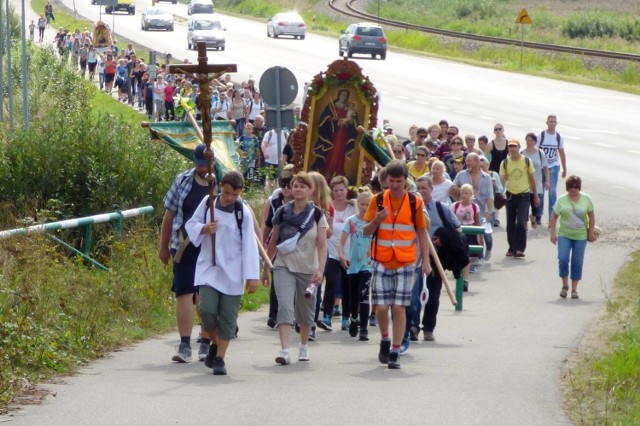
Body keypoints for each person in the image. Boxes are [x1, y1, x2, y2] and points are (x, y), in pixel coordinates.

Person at [184, 171, 260, 376]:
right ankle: (214, 343)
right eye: (226, 193)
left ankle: (219, 358)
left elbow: (250, 245)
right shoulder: (208, 202)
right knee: (207, 311)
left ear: (240, 193)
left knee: (227, 317)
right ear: (220, 187)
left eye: (234, 195)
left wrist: (252, 275)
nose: (229, 198)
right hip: (209, 268)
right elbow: (190, 224)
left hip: (233, 273)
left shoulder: (242, 212)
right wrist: (204, 228)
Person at [363, 160, 431, 369]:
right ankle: (384, 339)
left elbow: (422, 231)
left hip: (406, 261)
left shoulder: (414, 202)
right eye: (391, 181)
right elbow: (366, 231)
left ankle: (395, 350)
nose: (394, 186)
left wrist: (426, 261)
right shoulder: (378, 201)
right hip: (381, 260)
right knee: (382, 308)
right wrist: (376, 219)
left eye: (398, 182)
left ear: (405, 181)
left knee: (399, 308)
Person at [262, 172, 328, 365]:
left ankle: (303, 345)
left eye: (302, 186)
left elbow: (322, 245)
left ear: (311, 190)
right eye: (295, 185)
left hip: (308, 268)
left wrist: (320, 270)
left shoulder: (317, 214)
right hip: (283, 265)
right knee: (284, 305)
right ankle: (284, 350)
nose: (298, 189)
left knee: (305, 312)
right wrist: (266, 267)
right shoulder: (282, 212)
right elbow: (273, 242)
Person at [160, 144, 214, 364]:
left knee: (206, 295)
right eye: (199, 164)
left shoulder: (221, 183)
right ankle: (184, 344)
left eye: (206, 165)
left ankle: (205, 342)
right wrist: (164, 247)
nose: (202, 169)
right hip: (183, 246)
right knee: (184, 292)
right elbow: (169, 215)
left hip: (210, 248)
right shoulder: (182, 181)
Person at [413, 175, 460, 342]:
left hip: (435, 257)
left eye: (424, 188)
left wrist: (442, 239)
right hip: (414, 256)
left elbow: (457, 229)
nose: (421, 191)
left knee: (432, 295)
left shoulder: (441, 208)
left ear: (431, 189)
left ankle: (428, 328)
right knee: (414, 294)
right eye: (418, 188)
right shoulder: (410, 208)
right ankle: (413, 326)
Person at [318, 176, 356, 332]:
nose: (339, 193)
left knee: (347, 285)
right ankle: (327, 315)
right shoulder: (328, 207)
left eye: (342, 190)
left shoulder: (353, 207)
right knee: (331, 282)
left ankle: (347, 317)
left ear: (347, 190)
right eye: (336, 190)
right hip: (332, 251)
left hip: (350, 252)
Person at [549, 175, 596, 300]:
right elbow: (554, 217)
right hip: (565, 234)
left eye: (575, 187)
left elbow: (591, 217)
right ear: (567, 188)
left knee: (577, 261)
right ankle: (565, 286)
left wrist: (590, 233)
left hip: (580, 235)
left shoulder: (586, 199)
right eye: (570, 187)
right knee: (563, 259)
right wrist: (552, 234)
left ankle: (574, 289)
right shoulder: (562, 200)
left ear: (579, 187)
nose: (573, 189)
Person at [261, 165, 295, 329]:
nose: (286, 189)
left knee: (293, 281)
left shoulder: (300, 204)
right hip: (277, 244)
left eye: (290, 185)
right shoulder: (275, 203)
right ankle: (273, 315)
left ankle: (291, 313)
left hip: (294, 246)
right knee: (277, 279)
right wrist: (262, 242)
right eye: (283, 185)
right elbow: (268, 225)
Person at [338, 187, 374, 341]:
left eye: (368, 204)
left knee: (364, 294)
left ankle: (364, 328)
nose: (365, 208)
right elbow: (341, 242)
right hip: (353, 264)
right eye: (362, 204)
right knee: (354, 296)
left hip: (368, 264)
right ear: (358, 204)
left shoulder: (374, 222)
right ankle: (353, 319)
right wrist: (341, 255)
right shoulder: (351, 221)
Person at [500, 139, 538, 258]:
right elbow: (502, 180)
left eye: (514, 146)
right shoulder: (505, 163)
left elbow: (532, 179)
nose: (512, 148)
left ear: (519, 147)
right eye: (510, 146)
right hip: (510, 195)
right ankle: (511, 248)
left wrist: (536, 195)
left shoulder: (526, 161)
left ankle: (520, 248)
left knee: (521, 222)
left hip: (524, 195)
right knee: (510, 223)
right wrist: (500, 194)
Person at [312, 89, 359, 178]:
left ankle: (338, 171)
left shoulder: (348, 107)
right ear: (339, 95)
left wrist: (349, 120)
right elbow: (323, 118)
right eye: (342, 95)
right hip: (333, 133)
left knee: (340, 151)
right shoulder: (331, 106)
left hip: (343, 133)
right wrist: (331, 119)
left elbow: (354, 121)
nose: (344, 97)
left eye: (346, 96)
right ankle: (328, 171)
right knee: (333, 151)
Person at [537, 114, 567, 224]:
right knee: (540, 191)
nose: (553, 123)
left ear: (557, 123)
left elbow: (562, 153)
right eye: (551, 121)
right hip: (541, 167)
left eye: (554, 122)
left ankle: (552, 218)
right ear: (547, 123)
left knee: (552, 192)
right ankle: (538, 215)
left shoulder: (559, 137)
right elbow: (535, 152)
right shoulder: (541, 136)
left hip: (554, 166)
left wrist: (564, 168)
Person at [451, 184, 480, 289]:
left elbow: (477, 222)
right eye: (462, 193)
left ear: (471, 194)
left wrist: (480, 238)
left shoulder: (474, 207)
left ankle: (465, 280)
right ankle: (458, 275)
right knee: (456, 256)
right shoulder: (455, 206)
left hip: (469, 232)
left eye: (466, 193)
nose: (464, 195)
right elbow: (451, 220)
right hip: (458, 232)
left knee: (466, 256)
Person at [521, 132, 550, 228]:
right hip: (525, 185)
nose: (529, 142)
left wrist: (547, 181)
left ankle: (533, 216)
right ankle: (524, 224)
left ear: (535, 142)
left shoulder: (540, 153)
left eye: (531, 141)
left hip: (537, 184)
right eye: (527, 140)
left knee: (536, 205)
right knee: (524, 206)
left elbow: (545, 167)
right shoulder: (522, 153)